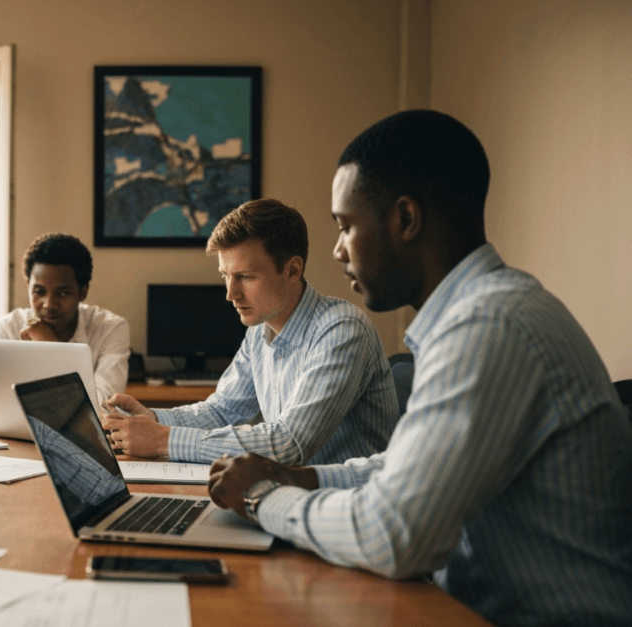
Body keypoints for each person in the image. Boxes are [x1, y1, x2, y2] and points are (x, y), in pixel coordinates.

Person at [208, 110, 632, 627]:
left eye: (345, 226)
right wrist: (301, 476)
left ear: (405, 220)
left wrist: (262, 497)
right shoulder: (481, 313)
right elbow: (403, 469)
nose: (338, 249)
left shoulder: (487, 327)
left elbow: (392, 534)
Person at [101, 199, 398, 465]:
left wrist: (162, 440)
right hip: (290, 496)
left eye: (245, 277)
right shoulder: (260, 331)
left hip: (346, 508)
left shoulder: (342, 330)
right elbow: (221, 412)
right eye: (226, 277)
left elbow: (289, 444)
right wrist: (152, 419)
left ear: (293, 270)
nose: (231, 294)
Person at [0, 233, 129, 410]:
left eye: (63, 293)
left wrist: (49, 345)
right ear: (28, 286)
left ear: (83, 292)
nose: (49, 304)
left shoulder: (110, 328)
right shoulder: (8, 328)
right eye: (39, 292)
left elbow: (101, 406)